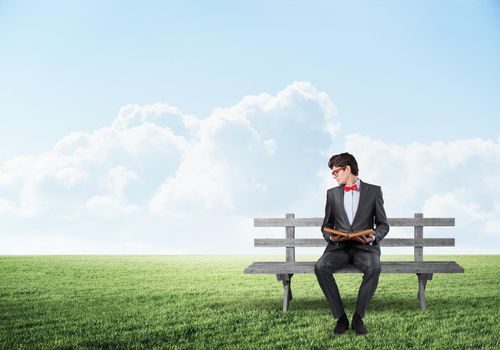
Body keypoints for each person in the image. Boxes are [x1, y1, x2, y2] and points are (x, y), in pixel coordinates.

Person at [314, 152, 389, 336]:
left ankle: (358, 317)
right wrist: (331, 237)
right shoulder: (331, 194)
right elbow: (327, 225)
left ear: (347, 169)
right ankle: (340, 317)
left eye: (336, 171)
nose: (334, 175)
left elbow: (382, 224)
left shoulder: (374, 191)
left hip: (364, 247)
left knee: (374, 267)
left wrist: (372, 237)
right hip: (339, 247)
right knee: (321, 266)